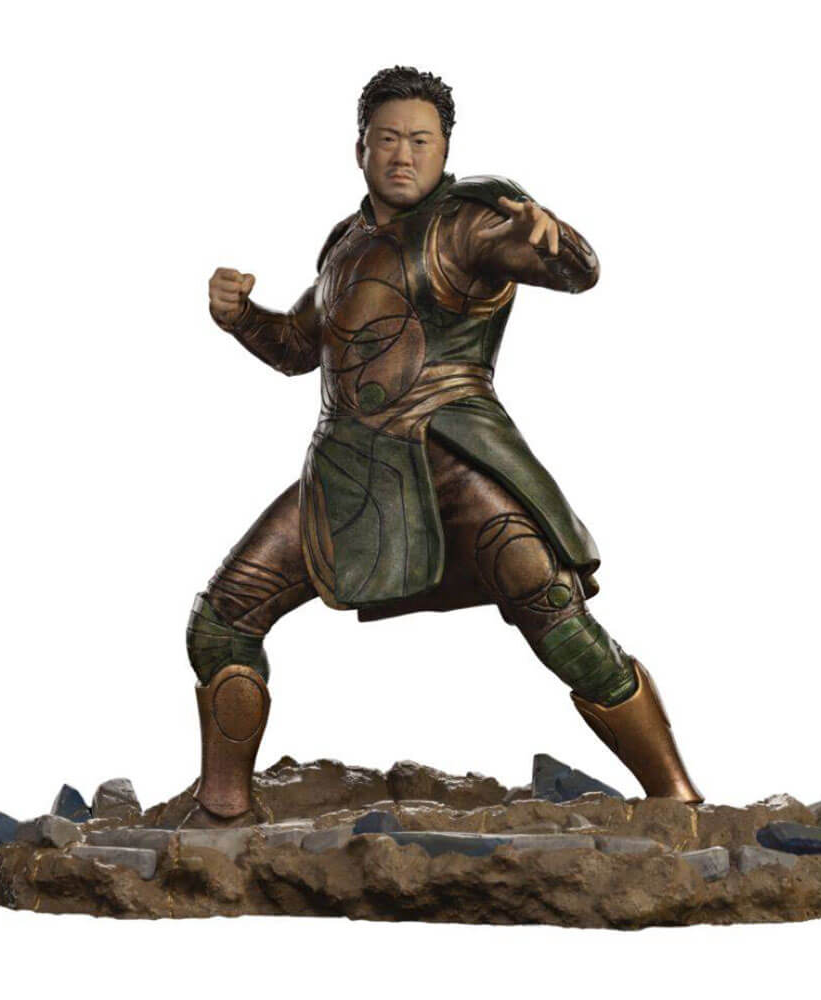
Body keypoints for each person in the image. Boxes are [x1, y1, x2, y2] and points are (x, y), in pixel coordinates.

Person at [190, 66, 701, 825]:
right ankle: (224, 814)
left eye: (420, 141)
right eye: (388, 139)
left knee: (556, 614)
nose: (403, 154)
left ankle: (677, 799)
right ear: (360, 149)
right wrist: (241, 316)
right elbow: (300, 346)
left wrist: (555, 240)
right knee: (222, 618)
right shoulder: (346, 244)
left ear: (444, 150)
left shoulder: (469, 223)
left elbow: (570, 269)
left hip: (456, 461)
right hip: (350, 470)